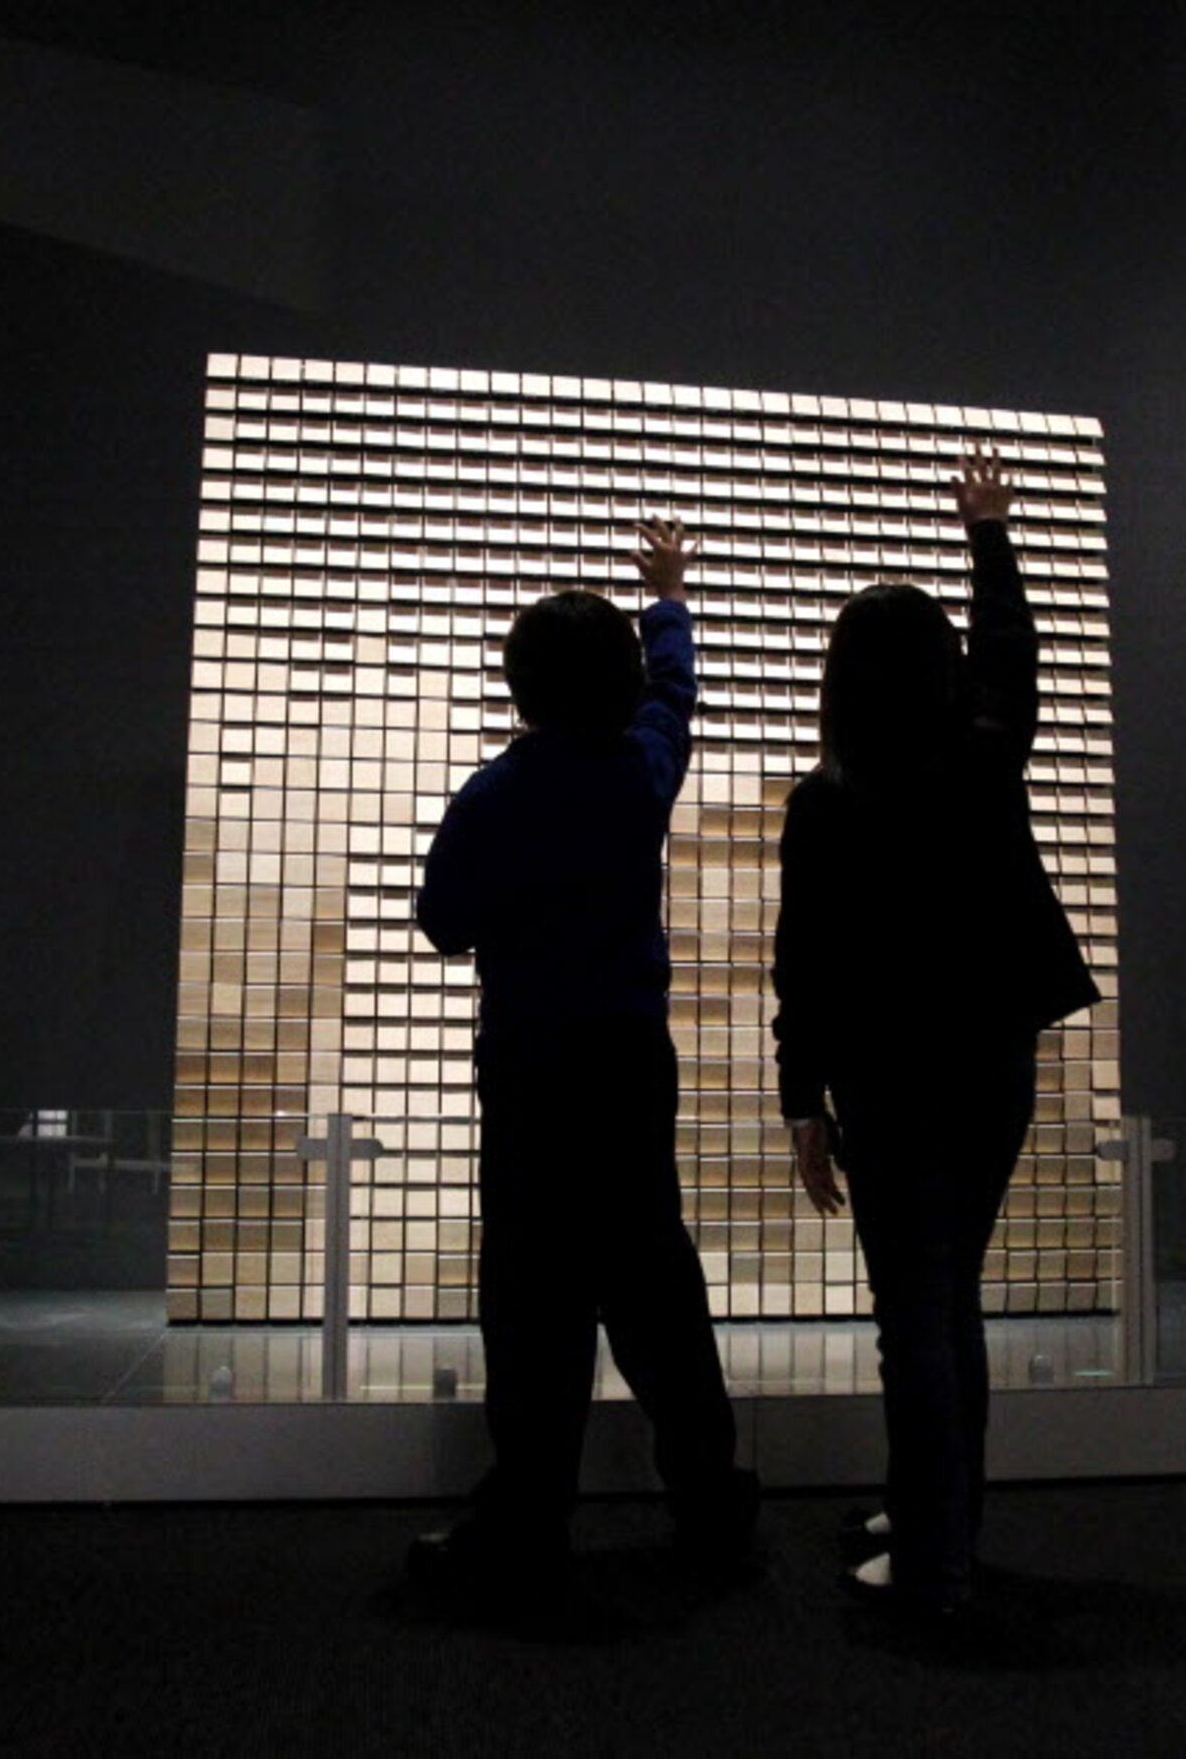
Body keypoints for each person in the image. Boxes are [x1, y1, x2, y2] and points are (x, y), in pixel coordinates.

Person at [772, 448, 1099, 1622]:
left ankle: (934, 1564)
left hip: (887, 1084)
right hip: (990, 1066)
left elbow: (799, 966)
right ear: (942, 674)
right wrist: (989, 533)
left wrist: (801, 1103)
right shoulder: (980, 763)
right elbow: (1012, 664)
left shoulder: (826, 803)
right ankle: (940, 1520)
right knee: (944, 1300)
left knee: (914, 1315)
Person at [411, 514, 758, 1599]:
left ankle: (526, 1518)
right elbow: (672, 697)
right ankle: (708, 1501)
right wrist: (669, 597)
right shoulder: (638, 774)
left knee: (530, 1296)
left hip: (529, 1065)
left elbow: (441, 919)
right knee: (654, 1280)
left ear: (519, 688)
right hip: (625, 1062)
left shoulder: (497, 793)